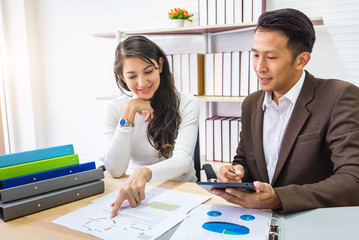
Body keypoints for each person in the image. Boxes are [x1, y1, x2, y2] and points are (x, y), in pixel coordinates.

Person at [212, 8, 359, 213]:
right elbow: (245, 160)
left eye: (270, 57)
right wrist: (235, 173)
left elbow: (353, 179)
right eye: (255, 55)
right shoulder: (251, 104)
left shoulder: (339, 96)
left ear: (302, 60)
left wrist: (279, 198)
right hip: (258, 221)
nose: (259, 67)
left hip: (311, 221)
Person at [103, 36, 199, 217]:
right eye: (132, 76)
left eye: (148, 71)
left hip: (183, 192)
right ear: (122, 77)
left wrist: (145, 173)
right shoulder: (115, 109)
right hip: (137, 193)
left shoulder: (187, 103)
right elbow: (115, 170)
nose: (142, 82)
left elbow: (182, 162)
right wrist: (128, 114)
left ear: (160, 66)